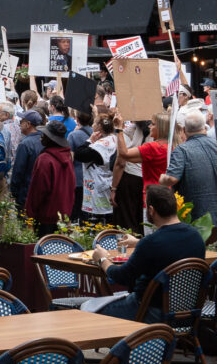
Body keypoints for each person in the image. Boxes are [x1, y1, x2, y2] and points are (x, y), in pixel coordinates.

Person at [87, 185, 205, 322]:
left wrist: (102, 259)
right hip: (187, 314)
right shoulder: (196, 237)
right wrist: (139, 242)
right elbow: (169, 245)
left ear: (151, 210)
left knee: (88, 309)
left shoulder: (151, 243)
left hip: (148, 311)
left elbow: (122, 276)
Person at [160, 112, 217, 223]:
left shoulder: (182, 150)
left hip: (198, 220)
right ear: (204, 127)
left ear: (184, 130)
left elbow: (171, 178)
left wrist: (162, 178)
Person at [25, 121, 75, 236]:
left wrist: (30, 214)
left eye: (45, 135)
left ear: (51, 139)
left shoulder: (45, 159)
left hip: (45, 217)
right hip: (63, 215)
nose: (41, 137)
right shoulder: (67, 156)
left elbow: (37, 191)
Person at [75, 112, 117, 223]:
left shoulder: (99, 145)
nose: (92, 125)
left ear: (99, 127)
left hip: (97, 189)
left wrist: (89, 140)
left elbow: (79, 154)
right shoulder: (115, 139)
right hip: (108, 184)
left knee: (96, 222)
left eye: (94, 123)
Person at [110, 119, 147, 235]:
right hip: (148, 179)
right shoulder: (159, 133)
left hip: (129, 178)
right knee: (143, 220)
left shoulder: (124, 133)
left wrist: (114, 188)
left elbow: (121, 162)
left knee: (127, 222)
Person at [9, 110, 44, 209]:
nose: (19, 124)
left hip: (26, 193)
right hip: (42, 192)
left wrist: (14, 192)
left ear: (28, 124)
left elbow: (18, 170)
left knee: (25, 223)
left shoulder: (25, 144)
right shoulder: (45, 139)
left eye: (21, 121)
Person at [67, 111, 93, 221]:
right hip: (92, 176)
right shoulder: (96, 133)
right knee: (88, 211)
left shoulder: (73, 135)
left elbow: (70, 159)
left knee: (75, 208)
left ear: (77, 119)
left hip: (77, 177)